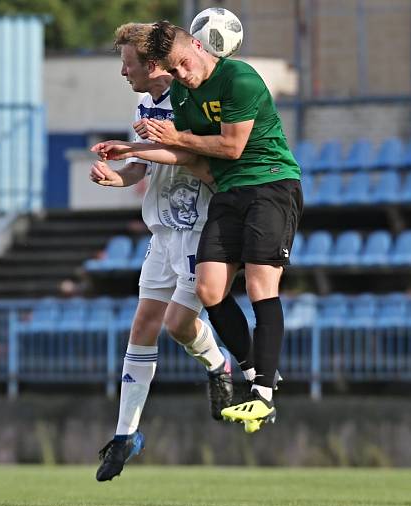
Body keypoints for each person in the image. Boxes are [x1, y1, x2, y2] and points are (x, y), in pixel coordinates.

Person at [100, 21, 303, 433]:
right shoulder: (182, 94)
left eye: (182, 66)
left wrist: (173, 138)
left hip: (269, 182)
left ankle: (263, 392)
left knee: (262, 286)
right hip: (228, 191)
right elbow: (185, 153)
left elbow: (231, 147)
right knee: (211, 290)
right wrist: (133, 150)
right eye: (173, 72)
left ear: (198, 45)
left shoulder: (239, 78)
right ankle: (248, 372)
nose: (181, 77)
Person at [91, 23, 233, 482]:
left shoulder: (188, 96)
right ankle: (125, 433)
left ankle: (218, 365)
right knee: (143, 324)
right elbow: (144, 167)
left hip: (199, 229)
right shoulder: (145, 100)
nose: (121, 71)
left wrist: (138, 147)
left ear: (152, 64)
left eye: (127, 63)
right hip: (163, 230)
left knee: (177, 325)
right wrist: (121, 175)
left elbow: (189, 154)